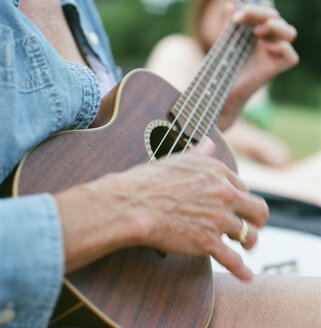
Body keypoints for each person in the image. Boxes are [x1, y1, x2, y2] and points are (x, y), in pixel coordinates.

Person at [0, 0, 320, 327]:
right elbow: (133, 192)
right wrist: (123, 207)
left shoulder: (79, 7)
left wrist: (212, 111)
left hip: (142, 290)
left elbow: (103, 150)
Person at [146, 0, 292, 167]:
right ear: (204, 7)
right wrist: (258, 144)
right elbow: (169, 127)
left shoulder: (252, 67)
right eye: (226, 15)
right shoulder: (179, 49)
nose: (233, 25)